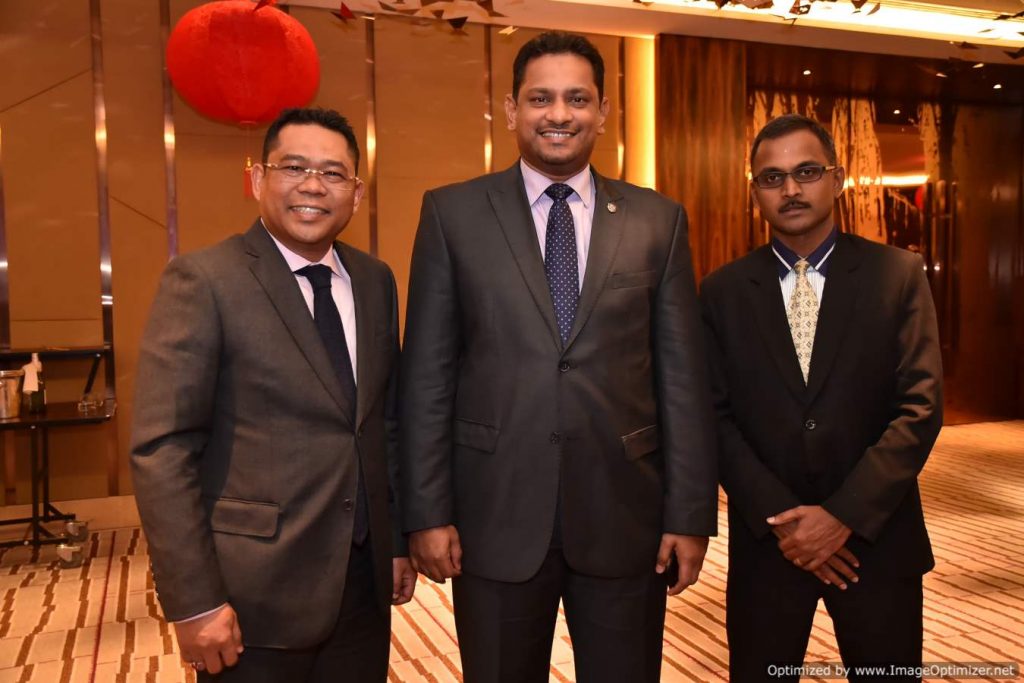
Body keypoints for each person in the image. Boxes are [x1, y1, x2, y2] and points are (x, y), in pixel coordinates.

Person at [399, 31, 717, 683]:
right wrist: (427, 511)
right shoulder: (453, 215)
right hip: (494, 514)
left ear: (603, 112)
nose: (559, 114)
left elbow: (682, 379)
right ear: (510, 110)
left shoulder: (658, 220)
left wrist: (690, 515)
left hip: (625, 515)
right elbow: (427, 378)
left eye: (578, 98)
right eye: (540, 98)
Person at [130, 107, 415, 682]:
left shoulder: (375, 281)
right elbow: (163, 450)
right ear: (259, 178)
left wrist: (395, 542)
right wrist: (195, 601)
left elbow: (383, 423)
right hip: (251, 594)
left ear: (356, 193)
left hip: (361, 588)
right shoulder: (205, 281)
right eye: (294, 167)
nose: (313, 186)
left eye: (333, 173)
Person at [700, 113, 943, 681]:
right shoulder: (723, 291)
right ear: (755, 192)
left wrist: (843, 516)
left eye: (806, 172)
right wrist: (785, 522)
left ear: (837, 179)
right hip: (770, 545)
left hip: (877, 540)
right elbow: (712, 415)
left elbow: (921, 406)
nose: (790, 189)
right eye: (772, 177)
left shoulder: (896, 274)